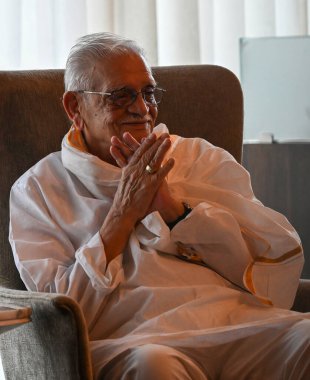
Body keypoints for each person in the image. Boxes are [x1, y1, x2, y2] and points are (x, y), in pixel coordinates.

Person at [9, 32, 309, 379]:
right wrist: (122, 214)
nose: (141, 109)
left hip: (238, 325)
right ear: (75, 108)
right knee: (155, 366)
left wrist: (172, 209)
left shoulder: (198, 158)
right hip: (136, 341)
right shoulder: (39, 189)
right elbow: (59, 315)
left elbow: (259, 269)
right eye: (121, 96)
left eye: (148, 93)